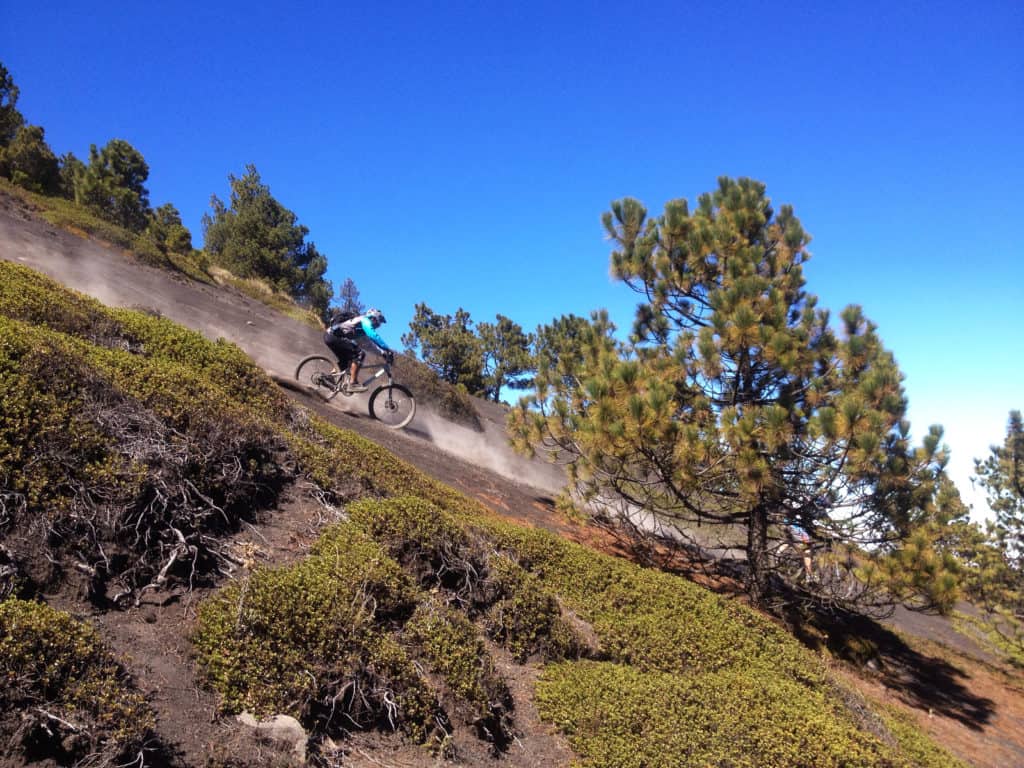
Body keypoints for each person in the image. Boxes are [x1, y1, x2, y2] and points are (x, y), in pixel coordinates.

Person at [323, 307, 393, 392]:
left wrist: (383, 353)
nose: (379, 325)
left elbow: (369, 346)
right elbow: (372, 335)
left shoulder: (360, 328)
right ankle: (352, 384)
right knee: (360, 354)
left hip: (331, 337)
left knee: (346, 361)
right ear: (374, 318)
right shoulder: (365, 320)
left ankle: (329, 378)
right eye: (379, 321)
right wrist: (387, 348)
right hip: (333, 337)